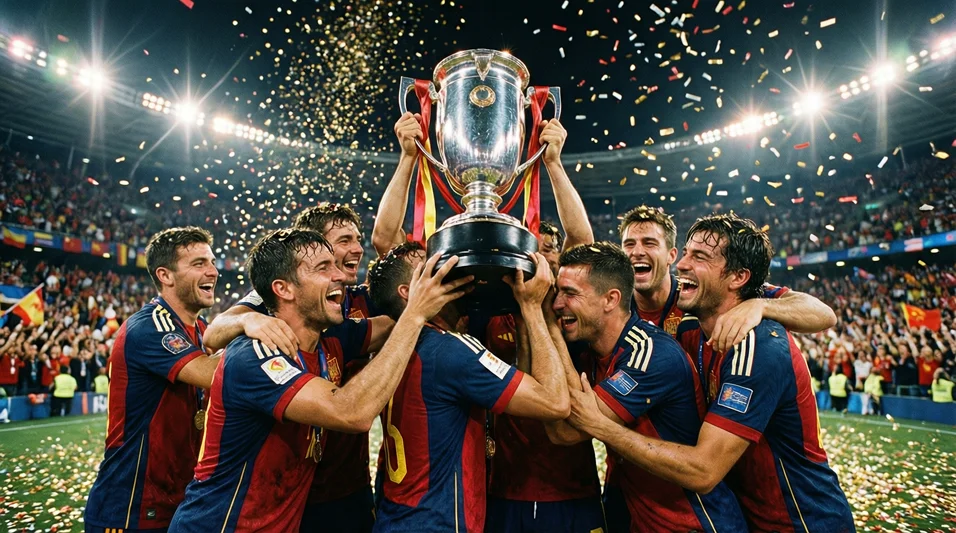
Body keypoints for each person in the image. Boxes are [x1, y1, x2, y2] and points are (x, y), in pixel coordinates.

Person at [373, 113, 605, 533]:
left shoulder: (554, 303)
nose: (544, 261)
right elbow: (389, 251)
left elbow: (585, 248)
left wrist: (552, 163)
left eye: (550, 252)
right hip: (493, 483)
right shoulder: (477, 307)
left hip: (558, 480)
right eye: (535, 251)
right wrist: (408, 158)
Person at [168, 229, 470, 532]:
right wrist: (415, 313)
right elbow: (352, 411)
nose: (341, 276)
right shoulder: (255, 357)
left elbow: (391, 326)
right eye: (323, 268)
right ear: (284, 289)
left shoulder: (329, 341)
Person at [568, 214, 854, 532]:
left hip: (798, 519)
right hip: (739, 510)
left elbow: (823, 313)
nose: (683, 265)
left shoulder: (755, 343)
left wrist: (761, 306)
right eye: (687, 253)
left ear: (738, 277)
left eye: (698, 257)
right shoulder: (695, 324)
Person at [204, 203, 391, 533]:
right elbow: (214, 332)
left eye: (357, 239)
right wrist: (248, 318)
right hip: (255, 515)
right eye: (342, 242)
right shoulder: (264, 339)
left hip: (340, 486)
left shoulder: (337, 323)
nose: (357, 250)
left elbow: (389, 313)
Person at [367, 246, 572, 533]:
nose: (447, 267)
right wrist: (533, 308)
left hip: (395, 518)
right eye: (429, 267)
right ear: (408, 291)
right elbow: (555, 403)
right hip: (438, 524)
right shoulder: (450, 351)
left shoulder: (388, 351)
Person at [545, 242, 747, 532]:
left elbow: (564, 431)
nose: (556, 304)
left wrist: (544, 322)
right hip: (640, 519)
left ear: (610, 299)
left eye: (570, 293)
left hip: (693, 523)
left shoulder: (651, 354)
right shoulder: (591, 351)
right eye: (557, 292)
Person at [85, 227, 223, 532]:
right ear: (166, 275)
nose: (213, 271)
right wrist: (250, 315)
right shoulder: (150, 326)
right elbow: (214, 374)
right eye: (199, 263)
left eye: (212, 262)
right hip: (130, 507)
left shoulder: (201, 328)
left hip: (178, 501)